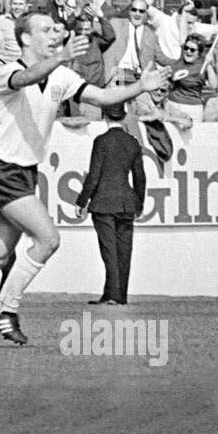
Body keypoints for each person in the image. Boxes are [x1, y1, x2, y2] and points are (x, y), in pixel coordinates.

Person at [0, 14, 170, 348]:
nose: (53, 35)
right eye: (45, 30)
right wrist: (60, 56)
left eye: (55, 30)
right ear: (25, 39)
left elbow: (100, 98)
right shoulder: (7, 71)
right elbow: (25, 78)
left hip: (23, 172)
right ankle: (4, 307)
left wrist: (140, 87)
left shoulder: (61, 74)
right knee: (48, 239)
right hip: (1, 170)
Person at [74, 103, 147, 306]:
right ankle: (118, 294)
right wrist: (140, 202)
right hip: (126, 202)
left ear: (105, 117)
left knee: (109, 250)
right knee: (124, 249)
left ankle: (113, 294)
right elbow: (140, 177)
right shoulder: (132, 142)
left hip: (104, 202)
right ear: (123, 117)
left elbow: (94, 175)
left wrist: (82, 201)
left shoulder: (101, 141)